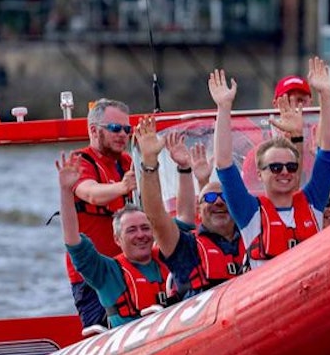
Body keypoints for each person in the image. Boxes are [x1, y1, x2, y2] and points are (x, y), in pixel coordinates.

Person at [211, 57, 330, 266]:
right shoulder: (249, 211)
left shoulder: (312, 201)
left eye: (291, 167)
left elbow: (328, 153)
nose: (285, 172)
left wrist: (326, 94)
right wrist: (224, 108)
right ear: (260, 173)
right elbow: (224, 164)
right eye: (276, 167)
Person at [134, 124, 249, 298]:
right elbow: (155, 216)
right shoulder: (185, 246)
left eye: (224, 197)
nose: (218, 202)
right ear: (199, 210)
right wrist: (149, 162)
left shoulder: (253, 236)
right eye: (209, 198)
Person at [56, 151, 167, 330]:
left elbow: (183, 217)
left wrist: (186, 171)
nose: (141, 235)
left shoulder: (169, 255)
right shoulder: (107, 272)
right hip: (129, 346)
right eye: (132, 230)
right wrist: (65, 191)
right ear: (117, 239)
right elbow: (72, 240)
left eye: (145, 228)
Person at [65, 97, 135, 330]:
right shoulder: (80, 161)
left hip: (128, 267)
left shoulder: (127, 162)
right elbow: (90, 193)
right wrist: (122, 188)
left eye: (127, 129)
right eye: (115, 129)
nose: (123, 135)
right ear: (94, 131)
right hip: (92, 276)